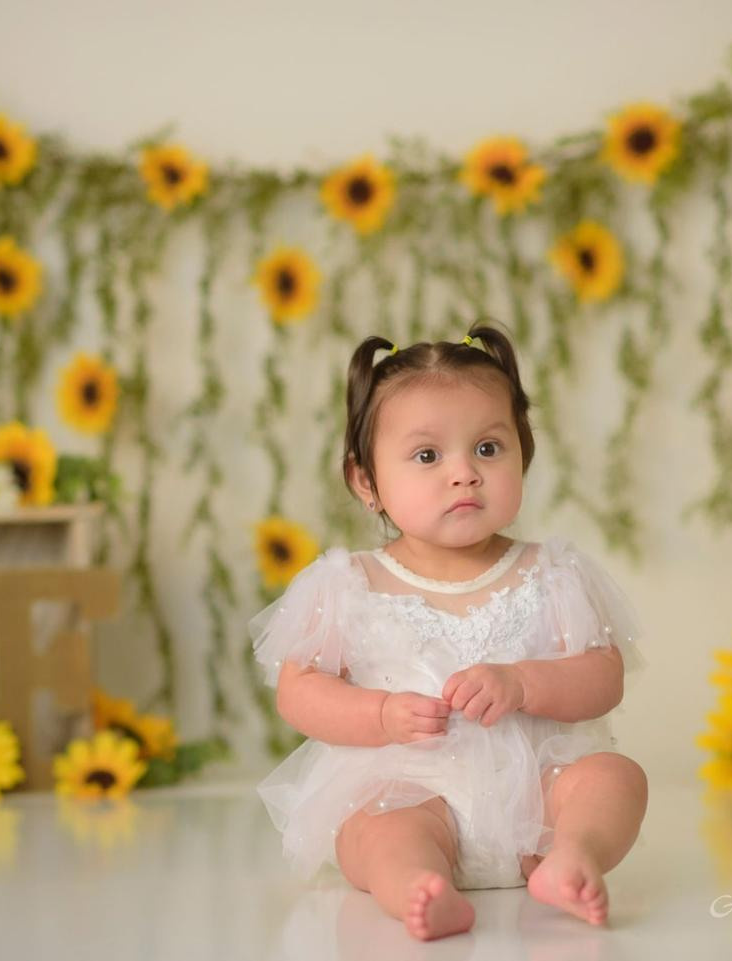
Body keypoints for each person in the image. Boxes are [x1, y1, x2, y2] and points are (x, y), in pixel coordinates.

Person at [250, 322, 649, 941]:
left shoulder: (553, 572)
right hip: (406, 785)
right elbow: (299, 692)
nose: (463, 474)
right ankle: (414, 883)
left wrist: (523, 683)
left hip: (535, 792)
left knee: (613, 780)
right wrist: (380, 714)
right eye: (428, 456)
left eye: (489, 449)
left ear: (524, 452)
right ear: (366, 482)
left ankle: (573, 856)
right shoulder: (347, 584)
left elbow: (604, 677)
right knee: (372, 828)